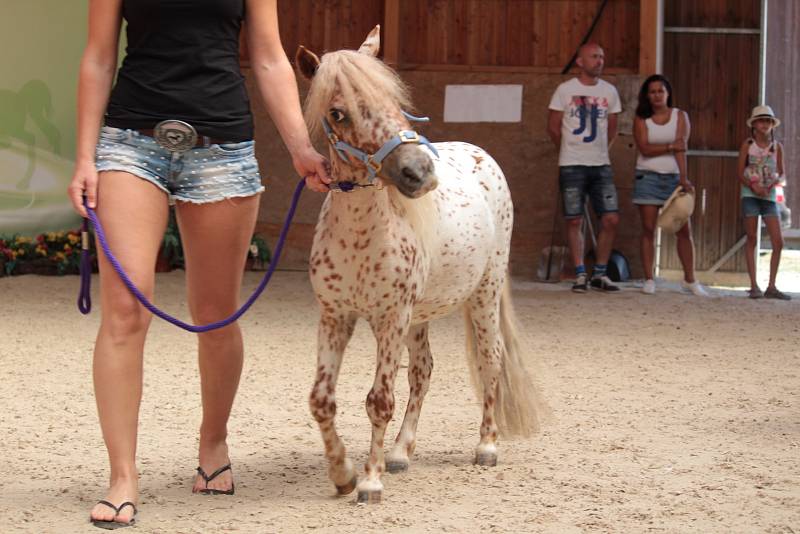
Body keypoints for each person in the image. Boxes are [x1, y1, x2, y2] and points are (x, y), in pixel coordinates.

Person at [67, 0, 331, 528]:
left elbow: (269, 57)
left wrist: (301, 146)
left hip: (223, 146)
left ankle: (213, 443)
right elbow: (98, 57)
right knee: (124, 313)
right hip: (131, 144)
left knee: (215, 315)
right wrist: (83, 156)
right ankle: (122, 477)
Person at [547, 43, 622, 293]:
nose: (599, 61)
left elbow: (613, 127)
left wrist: (601, 150)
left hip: (601, 165)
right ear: (580, 61)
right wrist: (570, 149)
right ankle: (580, 273)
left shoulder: (609, 92)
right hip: (571, 164)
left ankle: (600, 273)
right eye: (594, 57)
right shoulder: (564, 90)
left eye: (602, 56)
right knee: (574, 219)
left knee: (610, 218)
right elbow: (554, 127)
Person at [632, 74, 708, 296]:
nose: (657, 95)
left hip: (673, 178)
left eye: (660, 91)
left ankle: (690, 279)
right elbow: (644, 148)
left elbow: (681, 147)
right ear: (647, 95)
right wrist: (669, 146)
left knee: (683, 230)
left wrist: (684, 178)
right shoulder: (641, 118)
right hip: (647, 176)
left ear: (668, 94)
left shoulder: (680, 116)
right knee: (648, 229)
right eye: (652, 91)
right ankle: (648, 279)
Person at [737, 105, 790, 300]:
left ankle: (772, 285)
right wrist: (753, 186)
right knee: (752, 237)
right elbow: (740, 172)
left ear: (772, 125)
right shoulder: (747, 145)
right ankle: (754, 285)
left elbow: (783, 172)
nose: (765, 124)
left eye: (768, 121)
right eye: (761, 120)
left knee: (778, 241)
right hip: (750, 195)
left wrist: (775, 182)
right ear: (754, 125)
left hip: (768, 196)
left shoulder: (777, 147)